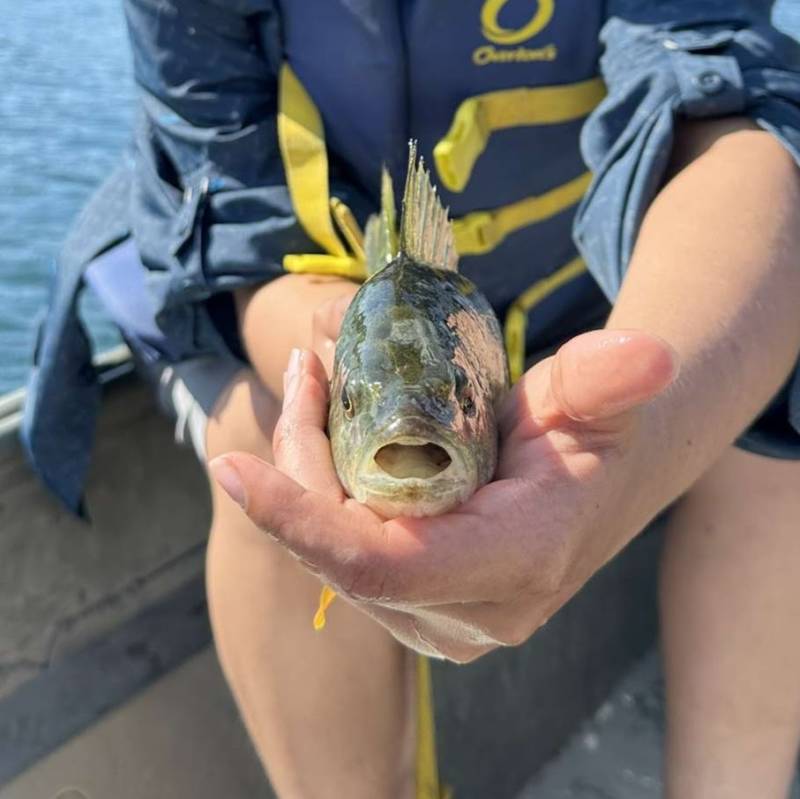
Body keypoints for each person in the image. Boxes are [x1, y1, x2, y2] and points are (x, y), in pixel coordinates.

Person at [22, 1, 800, 797]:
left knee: (765, 417)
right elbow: (229, 216)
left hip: (590, 284)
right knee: (267, 464)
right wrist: (323, 343)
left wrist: (652, 427)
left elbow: (726, 93)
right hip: (298, 296)